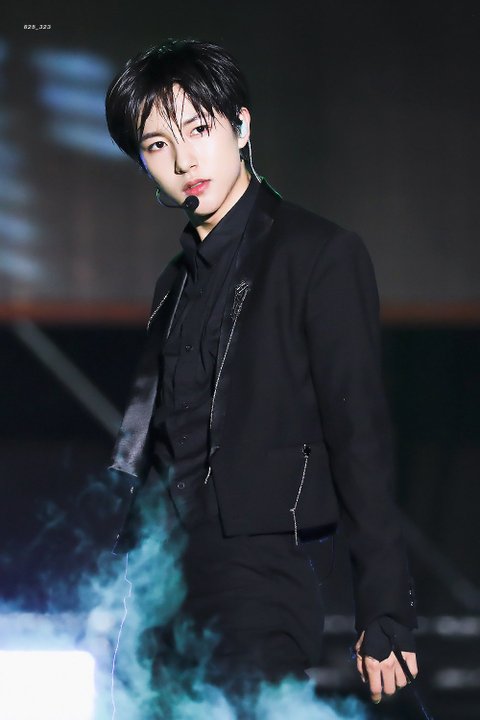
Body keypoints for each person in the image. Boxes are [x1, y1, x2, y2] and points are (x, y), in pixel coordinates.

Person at [105, 38, 418, 707]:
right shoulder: (172, 285)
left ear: (241, 126)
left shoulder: (317, 254)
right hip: (161, 584)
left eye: (198, 129)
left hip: (262, 569)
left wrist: (385, 606)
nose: (184, 160)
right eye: (157, 145)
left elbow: (359, 436)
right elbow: (155, 449)